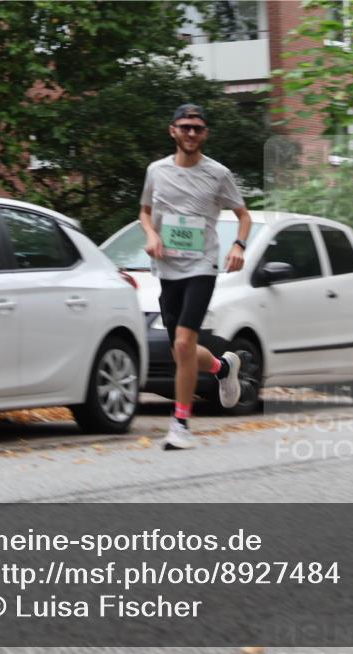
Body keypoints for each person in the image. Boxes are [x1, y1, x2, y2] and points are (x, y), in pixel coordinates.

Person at [139, 103, 253, 449]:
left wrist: (239, 245)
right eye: (185, 127)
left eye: (197, 128)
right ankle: (222, 368)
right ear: (172, 130)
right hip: (167, 267)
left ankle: (181, 424)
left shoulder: (217, 174)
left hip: (202, 265)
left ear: (205, 134)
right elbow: (144, 211)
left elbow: (243, 216)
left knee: (185, 342)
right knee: (181, 352)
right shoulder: (156, 171)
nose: (191, 133)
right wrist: (151, 234)